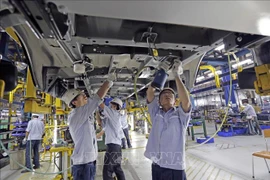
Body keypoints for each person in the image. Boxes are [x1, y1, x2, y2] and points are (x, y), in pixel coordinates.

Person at [61, 74, 115, 180]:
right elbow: (96, 99)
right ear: (74, 102)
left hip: (89, 161)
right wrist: (108, 82)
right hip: (83, 164)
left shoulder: (84, 114)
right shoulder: (76, 114)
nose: (85, 95)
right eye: (81, 95)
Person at [144, 60, 191, 180]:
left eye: (171, 95)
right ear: (158, 102)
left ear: (175, 101)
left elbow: (186, 101)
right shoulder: (156, 113)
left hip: (175, 166)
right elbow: (150, 92)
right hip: (157, 165)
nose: (167, 95)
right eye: (163, 94)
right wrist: (161, 73)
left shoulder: (181, 116)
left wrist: (176, 75)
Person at [98, 98, 126, 180]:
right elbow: (100, 123)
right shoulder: (109, 118)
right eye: (111, 105)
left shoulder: (114, 114)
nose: (111, 107)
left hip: (113, 147)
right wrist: (96, 111)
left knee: (107, 171)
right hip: (116, 147)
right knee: (117, 168)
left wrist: (96, 98)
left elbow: (101, 104)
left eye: (114, 105)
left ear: (118, 108)